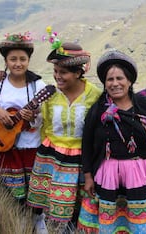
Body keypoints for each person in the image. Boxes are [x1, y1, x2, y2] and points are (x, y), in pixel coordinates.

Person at [77, 49, 146, 233]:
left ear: (129, 81)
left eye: (119, 78)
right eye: (109, 80)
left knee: (138, 219)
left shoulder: (142, 103)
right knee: (111, 218)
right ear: (104, 83)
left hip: (138, 171)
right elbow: (87, 142)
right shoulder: (99, 109)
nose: (115, 84)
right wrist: (88, 176)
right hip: (108, 172)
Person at [26, 34, 101, 233]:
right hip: (51, 156)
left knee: (78, 205)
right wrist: (32, 115)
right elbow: (41, 122)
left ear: (78, 73)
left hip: (81, 158)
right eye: (55, 71)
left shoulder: (94, 95)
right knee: (50, 204)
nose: (58, 76)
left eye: (64, 72)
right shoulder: (50, 94)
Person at [0, 32, 45, 203]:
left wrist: (33, 117)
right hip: (4, 144)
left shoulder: (38, 85)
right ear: (5, 62)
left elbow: (42, 117)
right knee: (10, 194)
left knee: (33, 192)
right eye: (13, 59)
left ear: (28, 61)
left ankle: (38, 223)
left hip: (30, 145)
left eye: (22, 59)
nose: (18, 64)